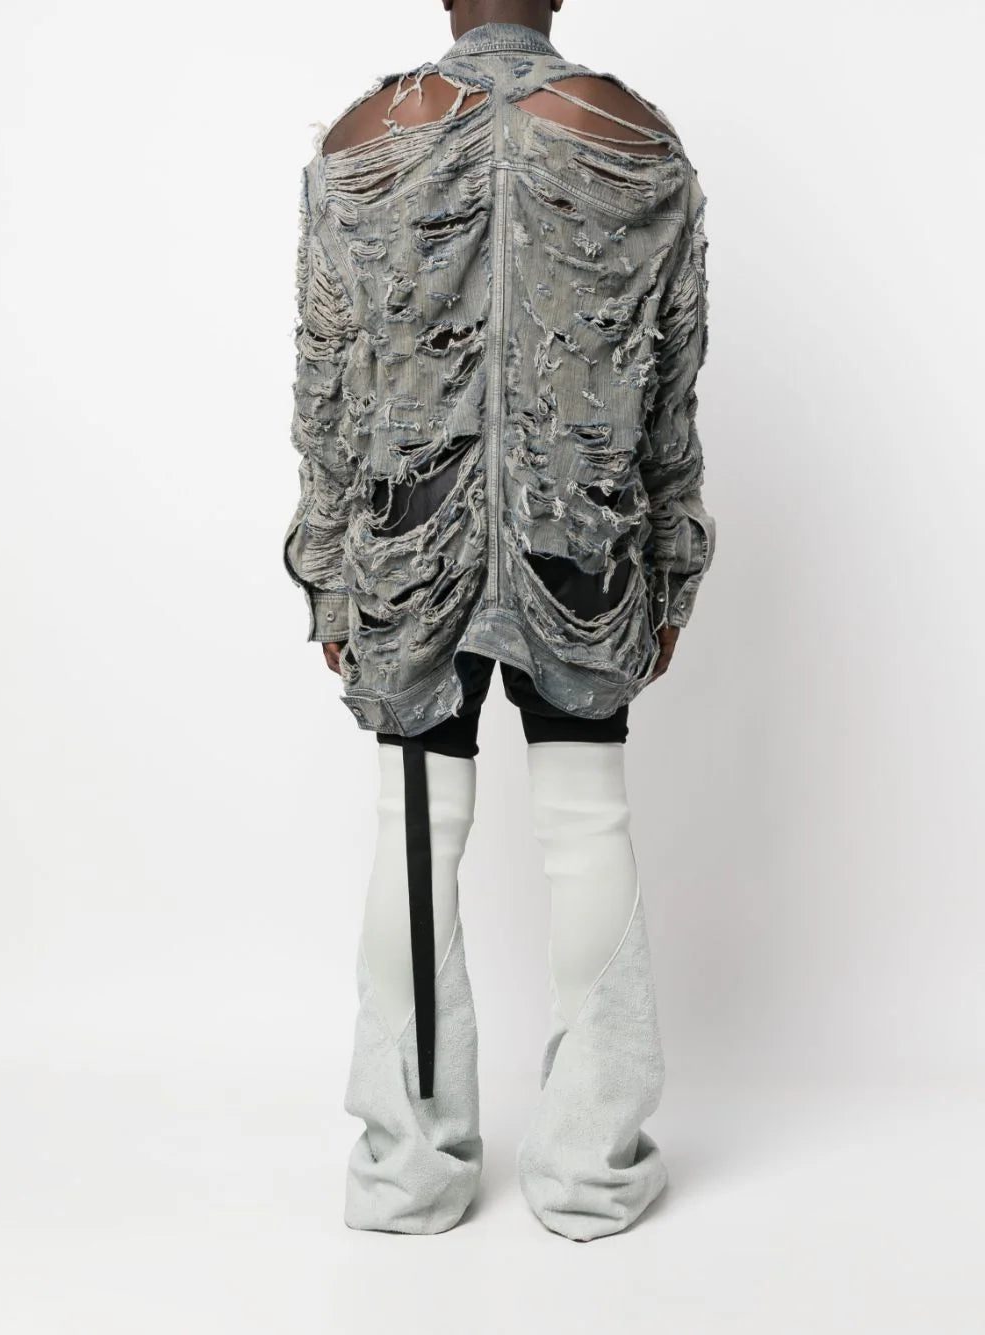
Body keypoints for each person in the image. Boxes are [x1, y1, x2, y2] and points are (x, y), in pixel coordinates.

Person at [284, 0, 715, 1241]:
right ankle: (588, 1170)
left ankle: (409, 1172)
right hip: (580, 540)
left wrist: (330, 564)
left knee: (414, 827)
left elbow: (328, 380)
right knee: (586, 822)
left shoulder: (363, 137)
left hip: (407, 542)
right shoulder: (633, 137)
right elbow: (670, 379)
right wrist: (671, 556)